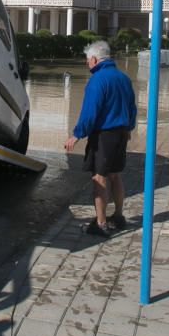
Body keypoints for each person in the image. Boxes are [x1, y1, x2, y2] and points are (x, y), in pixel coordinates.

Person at [65, 40, 137, 237]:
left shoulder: (97, 80)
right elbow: (132, 108)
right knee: (115, 175)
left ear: (95, 59)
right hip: (122, 132)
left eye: (88, 60)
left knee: (99, 177)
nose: (87, 64)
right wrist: (129, 127)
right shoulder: (123, 78)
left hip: (104, 135)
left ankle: (101, 223)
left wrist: (77, 134)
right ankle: (119, 216)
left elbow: (90, 112)